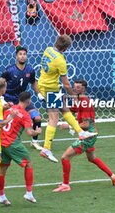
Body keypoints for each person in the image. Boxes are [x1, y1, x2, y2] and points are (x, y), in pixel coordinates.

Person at [37, 34, 97, 163]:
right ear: (66, 48)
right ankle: (46, 149)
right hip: (50, 89)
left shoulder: (48, 49)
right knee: (54, 118)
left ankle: (81, 132)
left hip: (44, 85)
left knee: (64, 108)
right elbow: (66, 84)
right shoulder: (61, 61)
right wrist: (74, 96)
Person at [53, 79, 115, 192]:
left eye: (77, 87)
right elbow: (70, 111)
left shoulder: (85, 103)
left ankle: (65, 185)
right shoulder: (79, 100)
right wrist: (61, 103)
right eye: (74, 87)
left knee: (65, 157)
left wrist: (68, 126)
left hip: (88, 135)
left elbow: (86, 125)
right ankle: (113, 176)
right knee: (92, 158)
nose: (74, 89)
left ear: (83, 89)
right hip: (90, 134)